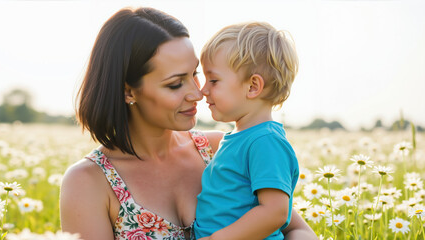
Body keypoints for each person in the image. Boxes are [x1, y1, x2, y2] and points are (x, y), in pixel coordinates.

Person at [60, 7, 316, 240]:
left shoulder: (220, 148)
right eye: (175, 83)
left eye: (195, 73)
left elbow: (293, 227)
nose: (198, 92)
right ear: (128, 92)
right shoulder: (88, 182)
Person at [194, 22, 300, 240]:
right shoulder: (242, 138)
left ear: (252, 87)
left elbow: (275, 212)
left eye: (213, 80)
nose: (203, 90)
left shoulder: (265, 141)